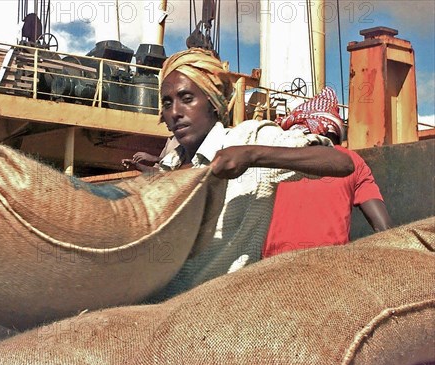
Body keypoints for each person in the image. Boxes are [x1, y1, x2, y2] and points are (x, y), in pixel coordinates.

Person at [150, 48, 355, 300]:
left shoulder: (246, 138)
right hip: (159, 311)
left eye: (187, 98)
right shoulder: (168, 165)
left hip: (220, 310)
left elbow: (339, 162)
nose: (175, 112)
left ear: (214, 103)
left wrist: (252, 156)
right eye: (167, 103)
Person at [262, 87, 392, 258]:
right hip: (330, 271)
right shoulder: (352, 160)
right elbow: (384, 228)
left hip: (269, 272)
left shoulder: (274, 155)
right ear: (336, 132)